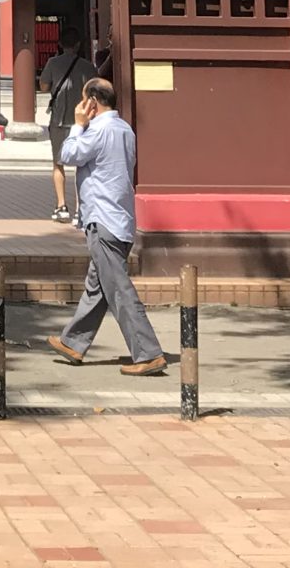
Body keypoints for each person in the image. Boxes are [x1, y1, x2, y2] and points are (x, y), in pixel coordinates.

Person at [46, 78, 166, 376]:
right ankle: (72, 342)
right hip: (121, 217)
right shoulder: (125, 129)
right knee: (97, 287)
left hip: (104, 219)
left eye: (84, 100)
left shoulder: (97, 130)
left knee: (118, 290)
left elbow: (68, 155)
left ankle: (148, 352)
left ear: (92, 103)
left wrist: (76, 124)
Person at [40, 35, 93, 224]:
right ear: (78, 44)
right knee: (83, 165)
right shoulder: (88, 65)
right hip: (83, 119)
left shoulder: (53, 63)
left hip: (59, 118)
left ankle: (61, 206)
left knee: (58, 163)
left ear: (61, 45)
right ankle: (80, 209)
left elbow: (44, 86)